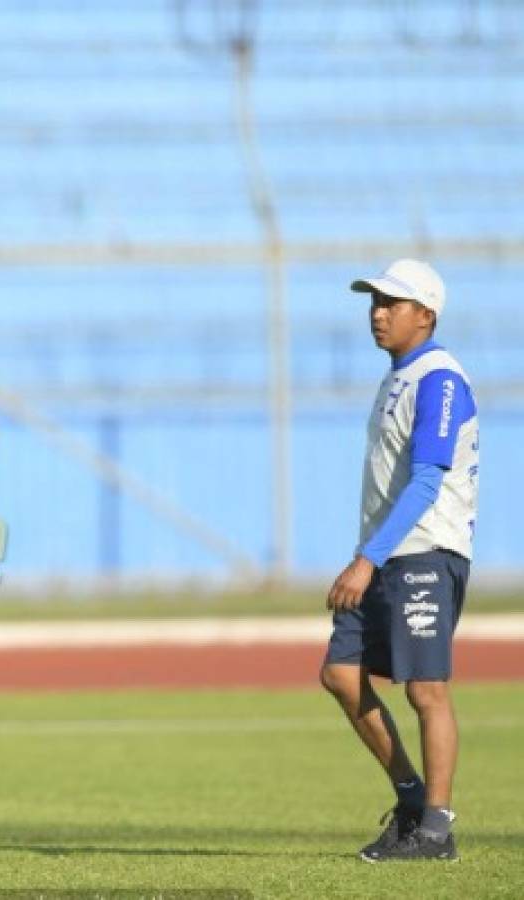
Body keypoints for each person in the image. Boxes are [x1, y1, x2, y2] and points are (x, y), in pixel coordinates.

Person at [320, 258, 478, 863]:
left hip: (425, 552)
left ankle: (436, 829)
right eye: (374, 302)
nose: (378, 312)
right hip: (387, 555)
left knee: (426, 690)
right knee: (340, 673)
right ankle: (411, 802)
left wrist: (366, 559)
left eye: (392, 303)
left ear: (427, 315)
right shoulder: (398, 376)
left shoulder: (438, 378)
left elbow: (427, 481)